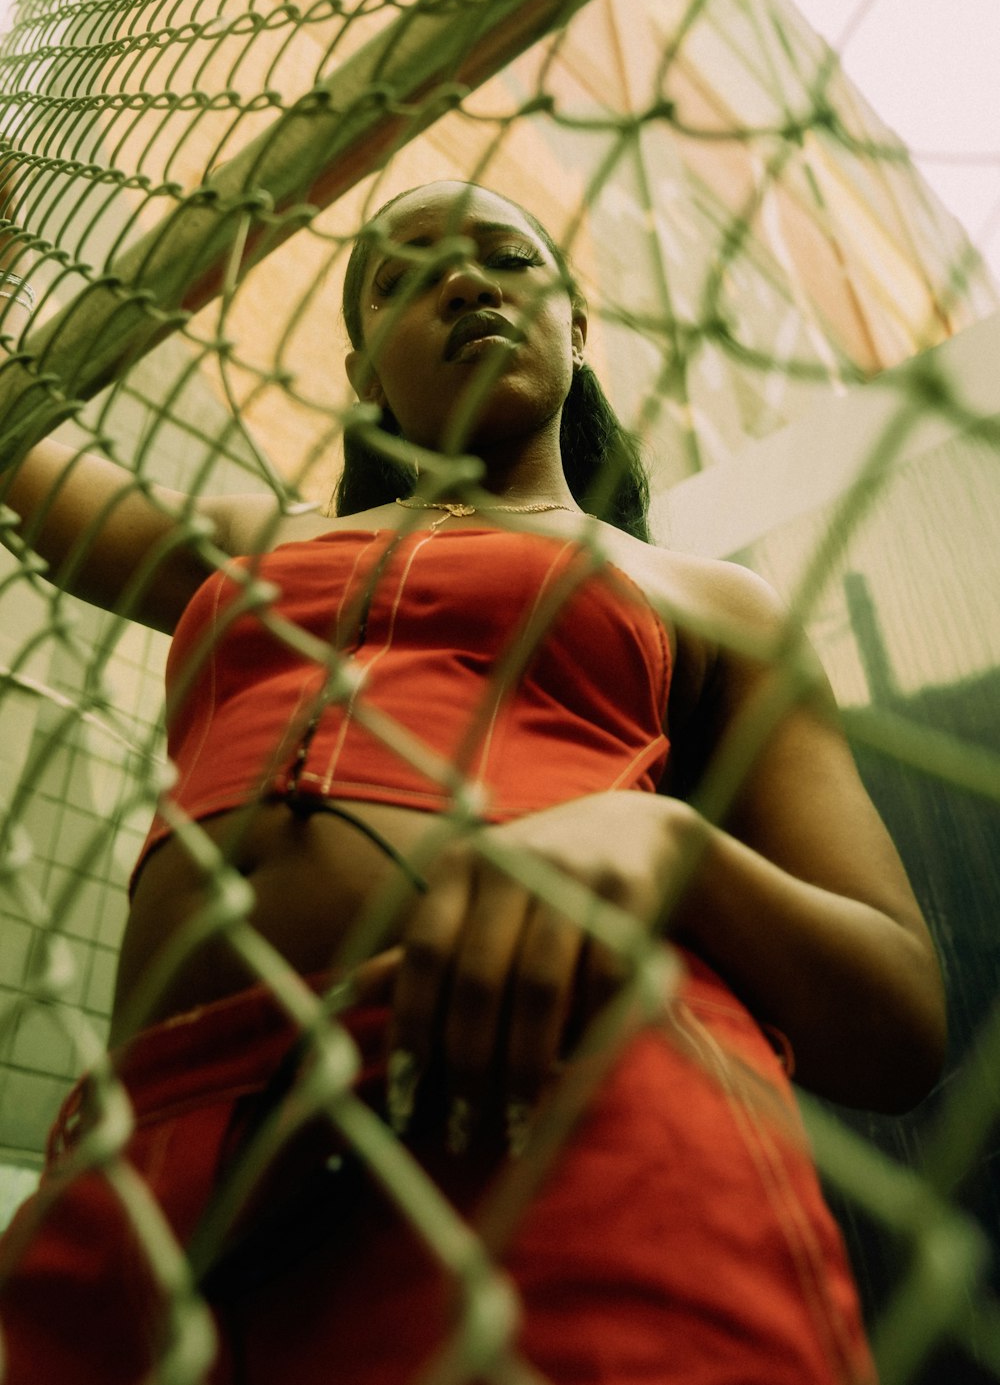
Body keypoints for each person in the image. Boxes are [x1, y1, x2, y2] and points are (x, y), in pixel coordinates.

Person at [0, 178, 945, 1385]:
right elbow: (27, 457)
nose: (462, 280)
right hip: (156, 1151)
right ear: (358, 373)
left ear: (578, 327)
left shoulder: (709, 599)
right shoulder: (264, 543)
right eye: (400, 276)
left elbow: (900, 1012)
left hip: (537, 1086)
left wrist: (661, 845)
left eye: (508, 255)